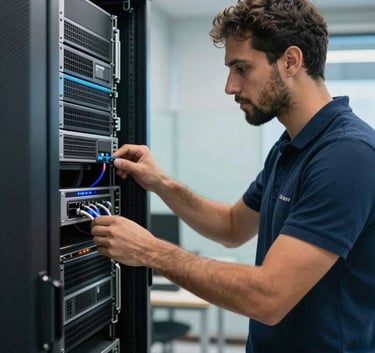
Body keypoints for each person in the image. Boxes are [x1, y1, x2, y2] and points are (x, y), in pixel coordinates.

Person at [91, 0, 375, 352]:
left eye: (242, 68)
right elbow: (231, 226)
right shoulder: (288, 148)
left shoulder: (347, 155)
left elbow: (269, 296)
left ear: (291, 61)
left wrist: (151, 252)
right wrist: (161, 183)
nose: (230, 86)